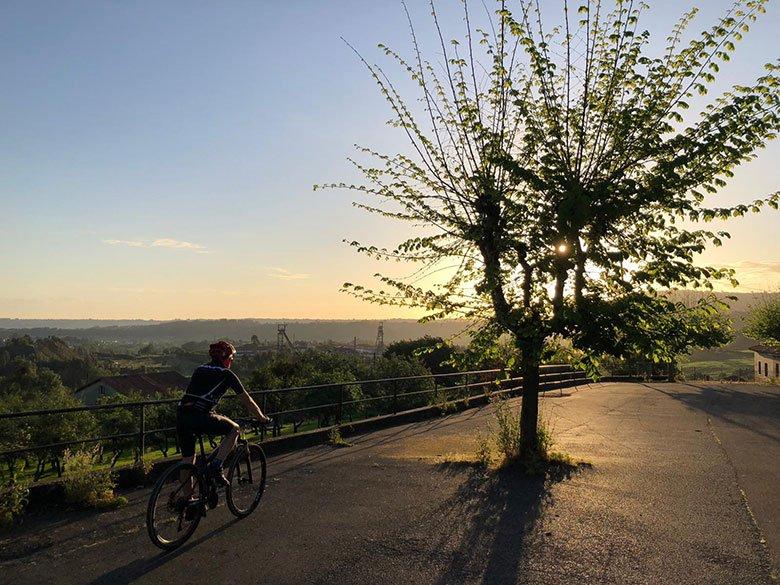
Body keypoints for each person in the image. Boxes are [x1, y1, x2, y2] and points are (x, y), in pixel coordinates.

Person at [176, 340, 270, 486]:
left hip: (182, 414)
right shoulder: (227, 374)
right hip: (200, 415)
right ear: (227, 359)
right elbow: (247, 400)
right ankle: (216, 466)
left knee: (188, 459)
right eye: (231, 359)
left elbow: (200, 393)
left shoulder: (199, 369)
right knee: (234, 429)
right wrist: (262, 418)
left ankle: (187, 499)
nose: (231, 362)